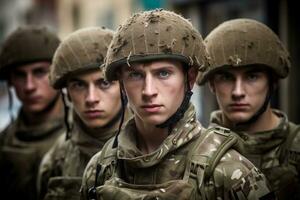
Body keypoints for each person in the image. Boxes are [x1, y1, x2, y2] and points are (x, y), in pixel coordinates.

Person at [80, 10, 274, 200]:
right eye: (135, 75)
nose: (148, 91)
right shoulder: (100, 169)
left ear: (189, 79)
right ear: (121, 84)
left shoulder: (229, 172)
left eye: (163, 73)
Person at [197, 18, 300, 199]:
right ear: (212, 84)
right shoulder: (195, 152)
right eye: (226, 77)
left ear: (272, 82)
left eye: (252, 77)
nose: (238, 92)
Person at [37, 27, 131, 200]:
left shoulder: (152, 148)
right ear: (68, 94)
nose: (91, 98)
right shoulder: (57, 159)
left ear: (124, 88)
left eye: (103, 83)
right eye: (79, 85)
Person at [0, 25, 65, 200]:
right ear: (11, 81)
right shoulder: (4, 142)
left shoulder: (87, 134)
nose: (29, 86)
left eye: (40, 72)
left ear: (58, 75)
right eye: (20, 75)